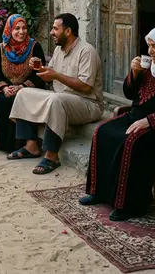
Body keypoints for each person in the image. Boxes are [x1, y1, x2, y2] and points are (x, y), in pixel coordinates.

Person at [79, 25, 155, 221]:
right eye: (149, 46)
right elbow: (130, 94)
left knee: (133, 140)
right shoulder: (152, 67)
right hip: (137, 117)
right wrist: (135, 74)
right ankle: (100, 192)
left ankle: (131, 205)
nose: (150, 52)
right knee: (103, 131)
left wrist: (150, 121)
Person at [9, 13, 104, 175]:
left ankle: (52, 155)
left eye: (55, 28)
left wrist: (55, 76)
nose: (51, 32)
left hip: (88, 104)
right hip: (60, 98)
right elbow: (49, 75)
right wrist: (38, 69)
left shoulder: (87, 51)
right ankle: (31, 144)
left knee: (56, 100)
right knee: (24, 93)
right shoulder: (59, 50)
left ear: (67, 31)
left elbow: (86, 87)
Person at [0, 14, 47, 153]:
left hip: (27, 89)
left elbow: (39, 75)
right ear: (9, 30)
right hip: (7, 87)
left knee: (16, 100)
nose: (21, 32)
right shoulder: (1, 48)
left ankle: (13, 146)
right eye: (17, 29)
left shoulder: (34, 46)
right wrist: (4, 88)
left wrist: (22, 87)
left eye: (24, 28)